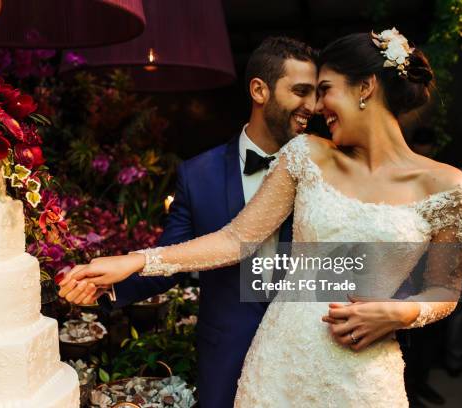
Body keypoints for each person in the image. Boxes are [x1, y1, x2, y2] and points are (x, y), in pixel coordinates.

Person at [60, 29, 462, 406]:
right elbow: (233, 239)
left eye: (326, 90)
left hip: (363, 375)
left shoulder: (449, 188)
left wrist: (401, 312)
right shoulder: (307, 154)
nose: (317, 107)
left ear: (366, 87)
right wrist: (132, 261)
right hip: (279, 365)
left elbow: (445, 287)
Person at [57, 36, 318, 408]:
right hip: (228, 353)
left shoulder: (325, 166)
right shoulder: (198, 174)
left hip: (307, 353)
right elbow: (172, 260)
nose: (312, 105)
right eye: (301, 91)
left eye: (315, 93)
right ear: (259, 90)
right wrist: (106, 286)